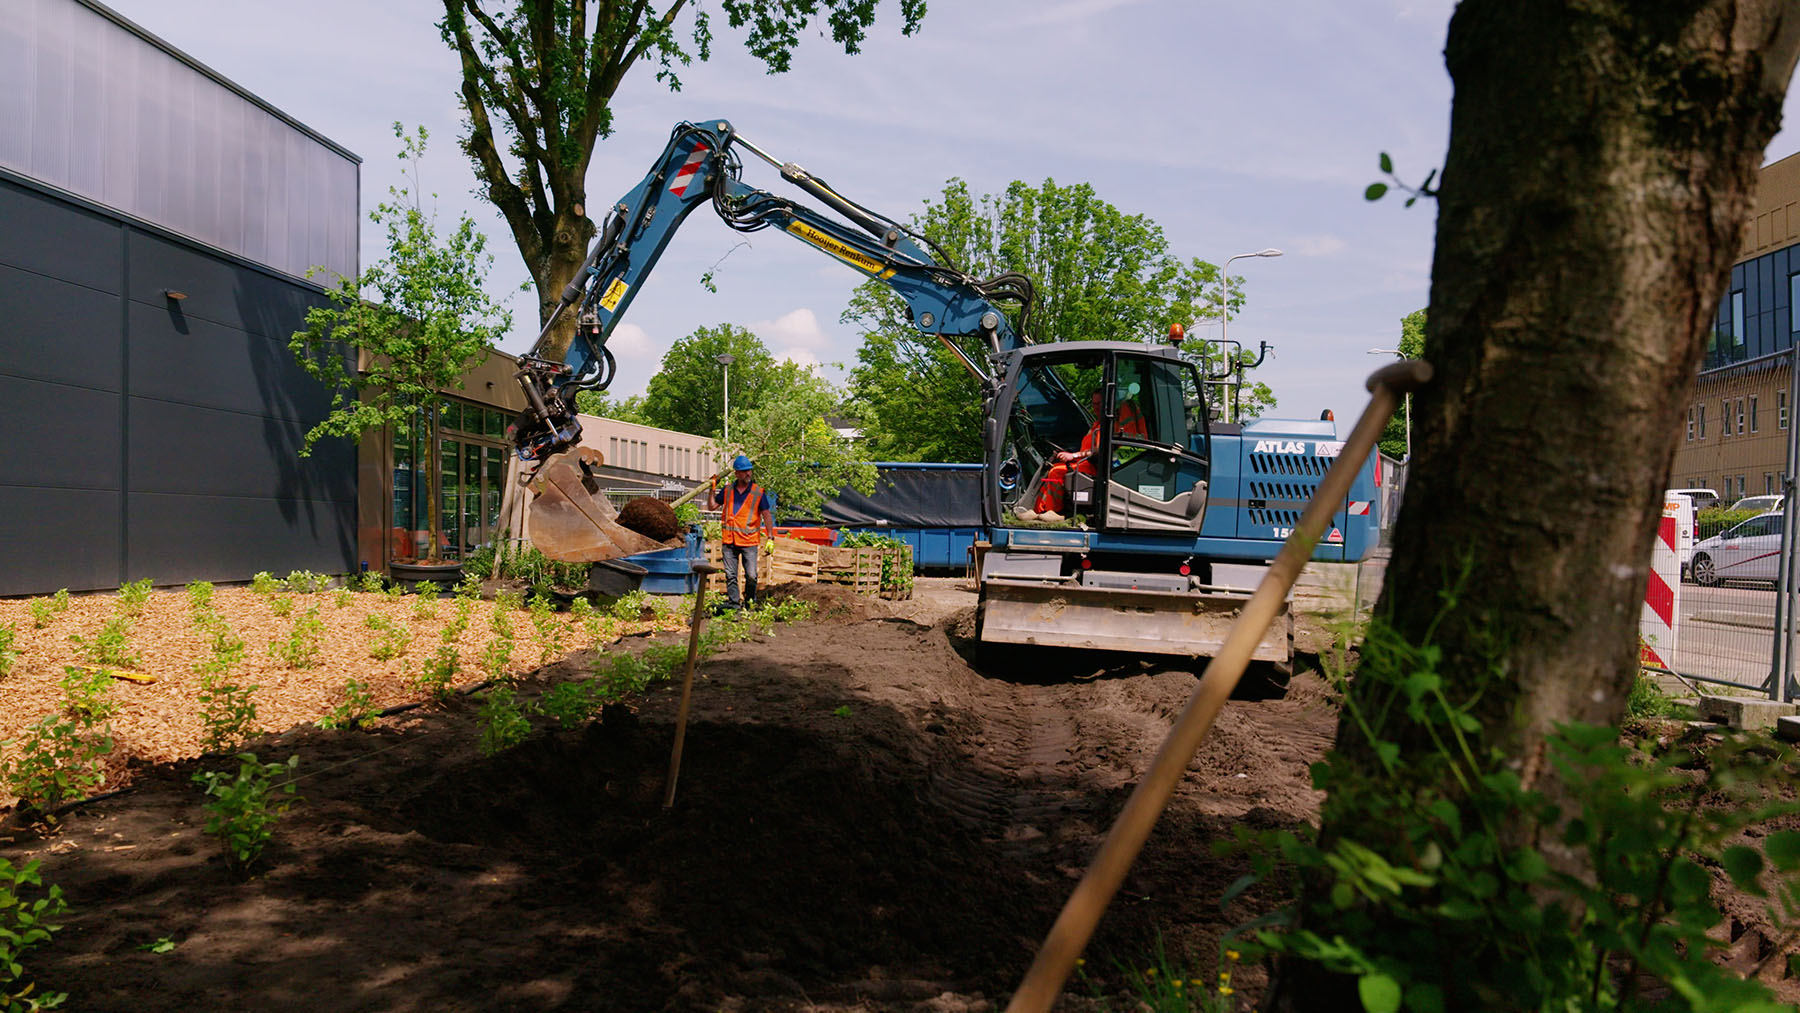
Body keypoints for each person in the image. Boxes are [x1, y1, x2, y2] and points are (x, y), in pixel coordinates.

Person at [1018, 390, 1147, 522]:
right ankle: (1039, 510)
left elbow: (1099, 450)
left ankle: (1055, 511)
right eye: (1094, 404)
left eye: (1100, 403)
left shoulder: (1110, 426)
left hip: (1096, 466)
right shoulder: (1098, 425)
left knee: (1057, 472)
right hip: (1086, 462)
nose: (1096, 407)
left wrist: (1073, 455)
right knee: (1052, 468)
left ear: (1108, 404)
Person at [711, 454, 775, 609]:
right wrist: (712, 488)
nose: (748, 474)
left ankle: (749, 603)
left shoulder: (758, 492)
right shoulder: (727, 490)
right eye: (744, 471)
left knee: (751, 576)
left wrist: (770, 537)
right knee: (731, 575)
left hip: (749, 541)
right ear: (736, 473)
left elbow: (766, 514)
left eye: (749, 471)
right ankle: (734, 604)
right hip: (730, 541)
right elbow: (712, 506)